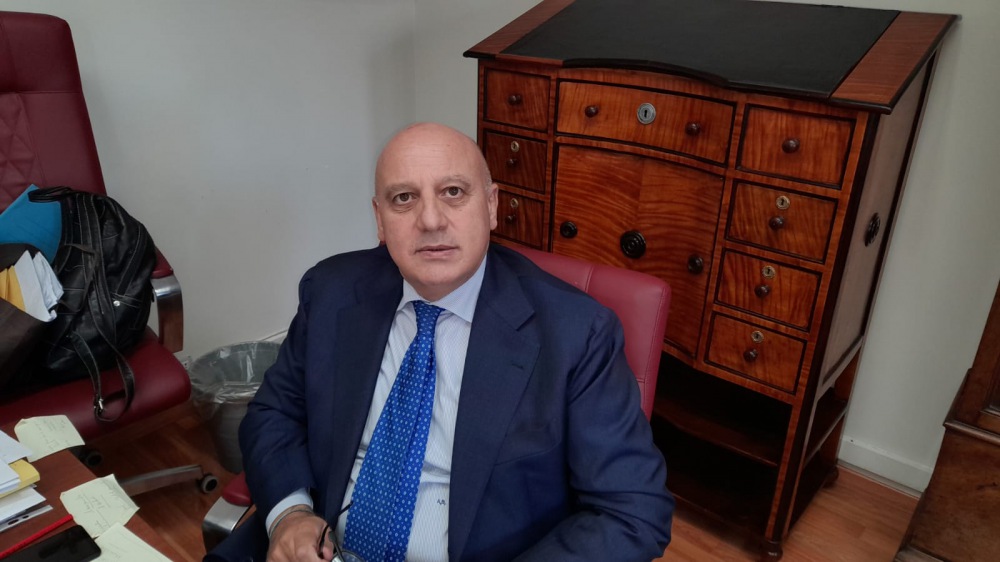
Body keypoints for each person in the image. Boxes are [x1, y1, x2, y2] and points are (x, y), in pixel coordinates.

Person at [206, 122, 673, 562]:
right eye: (404, 198)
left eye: (453, 192)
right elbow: (275, 412)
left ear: (491, 206)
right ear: (379, 219)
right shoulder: (331, 291)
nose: (430, 220)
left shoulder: (576, 333)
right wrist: (290, 514)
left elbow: (632, 512)